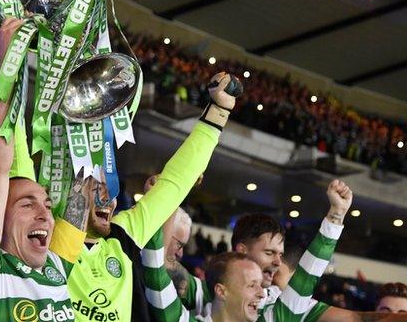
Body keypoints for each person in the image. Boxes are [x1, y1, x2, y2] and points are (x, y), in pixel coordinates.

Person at [59, 71, 241, 321]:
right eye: (96, 189)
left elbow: (176, 182)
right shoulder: (51, 239)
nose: (108, 200)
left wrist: (219, 109)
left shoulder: (122, 237)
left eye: (111, 191)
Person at [0, 17, 90, 321]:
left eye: (46, 204)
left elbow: (83, 184)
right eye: (27, 204)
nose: (45, 214)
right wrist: (7, 64)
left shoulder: (55, 265)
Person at [143, 180, 352, 321]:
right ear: (221, 290)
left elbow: (307, 278)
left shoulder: (273, 312)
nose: (261, 293)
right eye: (252, 285)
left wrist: (336, 215)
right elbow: (155, 269)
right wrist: (161, 198)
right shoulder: (194, 300)